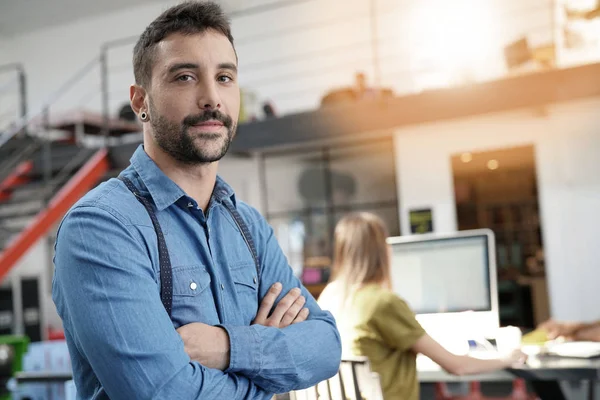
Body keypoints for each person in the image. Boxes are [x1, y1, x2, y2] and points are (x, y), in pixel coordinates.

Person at [52, 2, 341, 399]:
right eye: (185, 77)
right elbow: (165, 393)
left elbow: (325, 347)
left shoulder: (248, 225)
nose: (211, 98)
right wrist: (267, 375)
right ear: (141, 102)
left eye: (224, 77)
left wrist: (227, 347)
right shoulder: (101, 227)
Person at [318, 212, 526, 400]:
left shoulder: (329, 296)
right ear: (382, 251)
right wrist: (507, 358)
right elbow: (457, 366)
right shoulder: (383, 303)